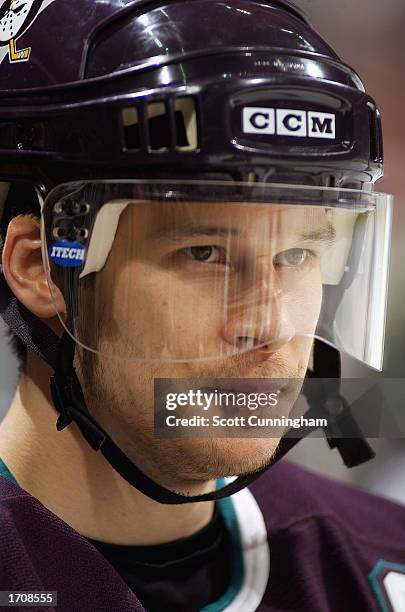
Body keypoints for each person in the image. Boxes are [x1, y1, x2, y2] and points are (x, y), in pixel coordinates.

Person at [0, 0, 403, 610]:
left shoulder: (383, 560)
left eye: (298, 256)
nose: (267, 327)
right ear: (39, 266)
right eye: (204, 252)